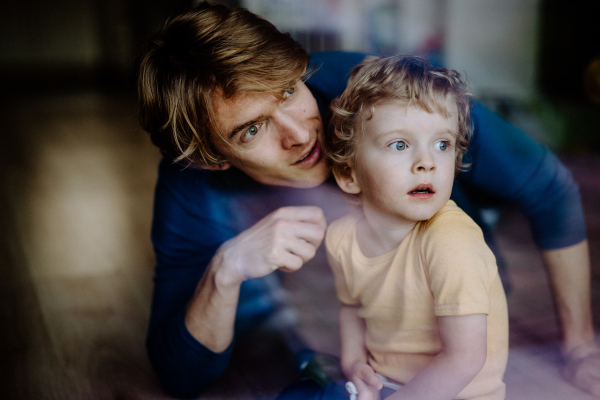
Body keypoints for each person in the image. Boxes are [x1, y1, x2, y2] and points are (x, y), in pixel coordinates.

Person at [136, 2, 600, 398]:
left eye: (288, 90)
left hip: (450, 317)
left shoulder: (385, 93)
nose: (299, 134)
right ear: (213, 157)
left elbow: (548, 187)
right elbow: (181, 376)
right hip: (335, 352)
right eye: (253, 129)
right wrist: (226, 269)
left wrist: (579, 346)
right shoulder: (191, 187)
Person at [323, 55, 507, 400]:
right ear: (349, 175)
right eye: (399, 144)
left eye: (442, 144)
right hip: (384, 385)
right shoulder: (342, 236)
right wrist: (353, 362)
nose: (427, 162)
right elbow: (351, 307)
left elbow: (464, 359)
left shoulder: (452, 241)